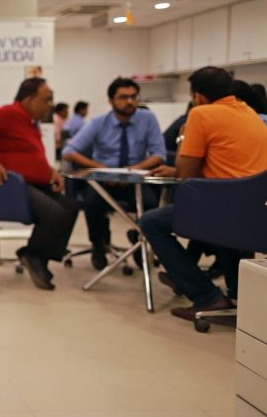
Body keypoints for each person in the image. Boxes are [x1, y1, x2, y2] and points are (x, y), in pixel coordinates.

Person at [140, 66, 267, 321]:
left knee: (151, 222)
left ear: (197, 96)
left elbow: (186, 174)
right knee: (212, 216)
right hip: (255, 212)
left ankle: (206, 295)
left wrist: (182, 148)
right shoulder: (250, 113)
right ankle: (234, 290)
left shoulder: (201, 114)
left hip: (223, 208)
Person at [0, 78, 79, 291]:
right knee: (54, 213)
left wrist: (51, 171)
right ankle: (33, 256)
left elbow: (30, 155)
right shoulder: (11, 113)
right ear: (29, 100)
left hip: (35, 183)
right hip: (13, 185)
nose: (50, 105)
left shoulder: (30, 122)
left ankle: (38, 256)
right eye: (46, 100)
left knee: (70, 207)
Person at [62, 77, 166, 269]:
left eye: (134, 97)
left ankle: (139, 242)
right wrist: (100, 168)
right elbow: (68, 152)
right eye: (123, 97)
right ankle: (98, 244)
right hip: (104, 178)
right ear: (111, 101)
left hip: (135, 178)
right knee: (92, 202)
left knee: (151, 204)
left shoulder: (147, 118)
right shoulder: (99, 122)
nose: (130, 102)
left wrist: (132, 171)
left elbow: (159, 153)